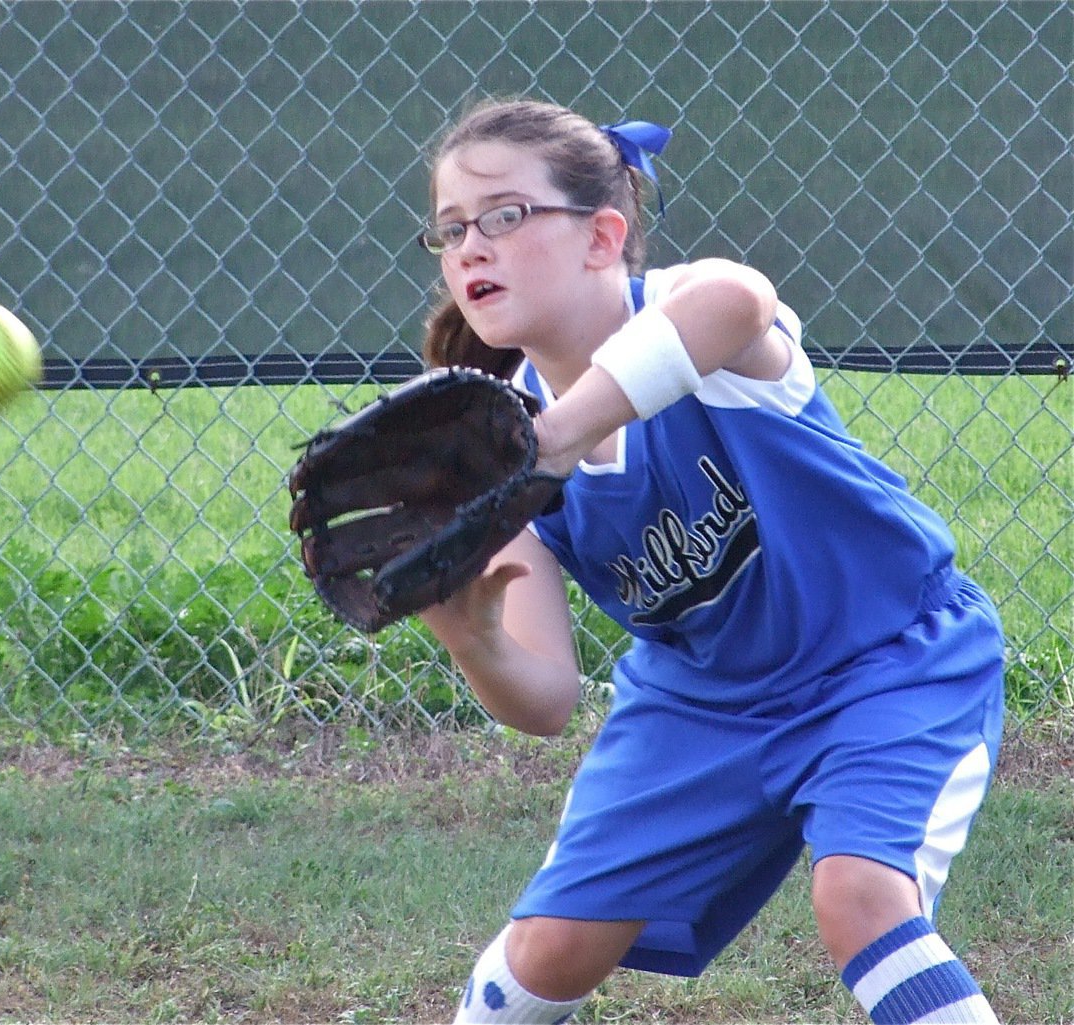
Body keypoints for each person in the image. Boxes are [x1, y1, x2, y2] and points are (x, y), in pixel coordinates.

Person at [413, 98, 1005, 1025]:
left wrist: (557, 439)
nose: (470, 248)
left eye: (505, 215)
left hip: (885, 660)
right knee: (552, 949)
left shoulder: (682, 322)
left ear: (603, 236)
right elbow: (548, 699)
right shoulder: (502, 452)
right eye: (451, 230)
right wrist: (471, 637)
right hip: (701, 703)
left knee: (860, 897)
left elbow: (739, 300)